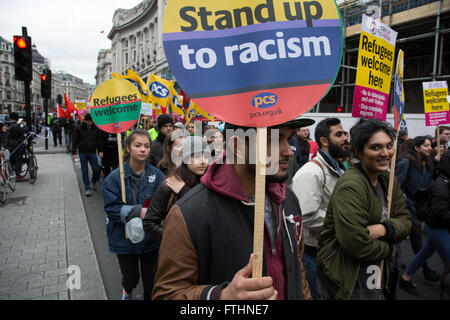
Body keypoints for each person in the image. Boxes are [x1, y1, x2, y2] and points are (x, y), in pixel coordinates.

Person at [152, 119, 313, 300]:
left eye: (288, 139)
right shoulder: (189, 213)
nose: (287, 151)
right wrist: (221, 297)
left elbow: (296, 268)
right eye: (272, 140)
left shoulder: (288, 199)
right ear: (237, 145)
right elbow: (166, 294)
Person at [316, 119, 411, 300]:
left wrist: (384, 229)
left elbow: (406, 220)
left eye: (389, 146)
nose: (385, 153)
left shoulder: (389, 180)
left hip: (375, 277)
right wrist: (389, 249)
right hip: (347, 280)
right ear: (359, 151)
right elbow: (356, 243)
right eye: (375, 147)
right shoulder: (351, 185)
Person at [102, 129, 165, 300]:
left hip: (149, 239)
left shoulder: (158, 176)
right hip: (123, 240)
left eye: (146, 146)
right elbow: (111, 208)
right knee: (131, 278)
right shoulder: (114, 179)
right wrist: (137, 211)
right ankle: (127, 290)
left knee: (150, 280)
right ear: (128, 148)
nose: (143, 150)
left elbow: (164, 204)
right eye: (138, 145)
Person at [292, 117, 350, 300]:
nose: (345, 139)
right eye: (339, 134)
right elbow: (307, 216)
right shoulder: (312, 172)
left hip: (332, 250)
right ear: (324, 141)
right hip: (314, 254)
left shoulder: (338, 168)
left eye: (345, 133)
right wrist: (347, 222)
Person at [399, 150, 450, 296]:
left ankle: (406, 276)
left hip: (436, 225)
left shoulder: (441, 179)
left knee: (424, 253)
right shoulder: (442, 185)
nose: (428, 148)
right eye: (425, 145)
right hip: (436, 226)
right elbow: (440, 212)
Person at [144, 136, 209, 242]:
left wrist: (184, 191)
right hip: (179, 252)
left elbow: (207, 213)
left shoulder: (210, 184)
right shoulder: (169, 186)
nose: (203, 161)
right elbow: (149, 223)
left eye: (206, 156)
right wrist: (174, 238)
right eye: (196, 156)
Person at [395, 136, 441, 283]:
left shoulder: (428, 163)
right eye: (426, 145)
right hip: (408, 207)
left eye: (430, 145)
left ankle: (396, 259)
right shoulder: (406, 162)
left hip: (422, 207)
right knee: (416, 238)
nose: (429, 148)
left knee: (404, 238)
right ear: (417, 147)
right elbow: (396, 185)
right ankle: (424, 270)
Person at [72, 113, 104, 197]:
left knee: (96, 170)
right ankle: (87, 187)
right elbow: (75, 140)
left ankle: (93, 182)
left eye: (90, 121)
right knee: (84, 171)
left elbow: (99, 141)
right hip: (83, 152)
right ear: (85, 121)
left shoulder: (96, 129)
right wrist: (74, 152)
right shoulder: (79, 128)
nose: (89, 123)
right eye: (88, 121)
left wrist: (100, 151)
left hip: (92, 152)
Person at [6, 112, 28, 182]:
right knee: (18, 159)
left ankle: (9, 173)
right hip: (17, 145)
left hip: (10, 145)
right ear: (17, 118)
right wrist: (24, 125)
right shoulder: (16, 126)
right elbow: (24, 130)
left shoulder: (7, 124)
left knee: (12, 159)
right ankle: (18, 175)